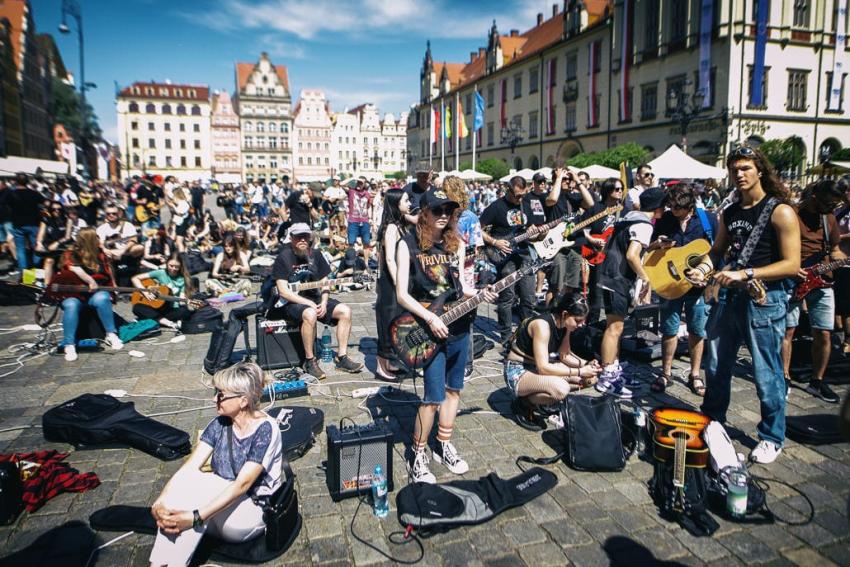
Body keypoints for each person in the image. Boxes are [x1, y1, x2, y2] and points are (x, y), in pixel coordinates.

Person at [688, 146, 801, 464]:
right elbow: (717, 251)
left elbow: (792, 264)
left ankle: (771, 436)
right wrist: (703, 269)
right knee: (716, 365)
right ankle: (713, 421)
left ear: (760, 170)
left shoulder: (780, 211)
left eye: (746, 168)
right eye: (734, 168)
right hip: (729, 297)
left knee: (766, 371)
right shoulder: (730, 211)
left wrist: (746, 272)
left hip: (764, 298)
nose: (739, 173)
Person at [395, 188, 497, 483]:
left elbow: (460, 286)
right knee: (432, 397)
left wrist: (480, 293)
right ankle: (418, 454)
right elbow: (402, 294)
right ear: (423, 212)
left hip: (459, 324)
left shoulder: (457, 243)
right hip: (428, 329)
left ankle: (444, 443)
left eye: (448, 211)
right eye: (437, 210)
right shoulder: (408, 245)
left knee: (454, 390)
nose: (443, 216)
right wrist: (428, 317)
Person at [149, 363, 283, 567]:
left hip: (249, 515)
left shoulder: (266, 429)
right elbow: (189, 468)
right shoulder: (220, 423)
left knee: (197, 491)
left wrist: (194, 518)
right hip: (218, 508)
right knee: (184, 491)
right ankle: (160, 563)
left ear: (243, 400)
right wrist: (161, 502)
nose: (214, 399)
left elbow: (242, 485)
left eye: (220, 394)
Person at [596, 187, 667, 399]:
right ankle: (607, 377)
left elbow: (626, 245)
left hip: (608, 275)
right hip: (617, 279)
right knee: (614, 329)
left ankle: (613, 367)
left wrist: (653, 245)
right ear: (658, 208)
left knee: (613, 327)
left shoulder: (627, 218)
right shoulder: (644, 225)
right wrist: (645, 278)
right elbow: (632, 255)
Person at [270, 223, 364, 380]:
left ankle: (342, 357)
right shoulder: (284, 258)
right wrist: (308, 303)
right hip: (292, 302)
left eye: (305, 236)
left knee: (345, 311)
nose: (302, 239)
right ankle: (309, 361)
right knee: (310, 313)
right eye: (298, 236)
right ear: (291, 238)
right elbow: (283, 291)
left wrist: (325, 301)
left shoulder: (316, 255)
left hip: (315, 298)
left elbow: (326, 282)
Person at [781, 179, 845, 404]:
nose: (831, 209)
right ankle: (784, 376)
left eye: (835, 205)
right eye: (828, 204)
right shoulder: (791, 214)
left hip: (823, 280)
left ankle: (817, 381)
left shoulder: (828, 219)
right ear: (815, 197)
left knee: (824, 332)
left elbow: (835, 250)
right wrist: (791, 267)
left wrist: (842, 260)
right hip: (793, 278)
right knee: (788, 331)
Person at [650, 184, 717, 396]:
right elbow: (648, 248)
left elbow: (717, 252)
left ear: (689, 206)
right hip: (670, 284)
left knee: (697, 330)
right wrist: (657, 244)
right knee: (669, 329)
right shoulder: (666, 219)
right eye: (671, 206)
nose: (673, 211)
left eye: (678, 208)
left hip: (697, 287)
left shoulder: (708, 220)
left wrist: (705, 275)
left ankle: (695, 374)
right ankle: (666, 373)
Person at [505, 292, 601, 429]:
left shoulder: (565, 325)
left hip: (535, 369)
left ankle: (543, 401)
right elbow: (543, 368)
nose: (581, 325)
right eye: (578, 320)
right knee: (561, 389)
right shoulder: (542, 326)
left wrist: (587, 365)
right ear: (564, 314)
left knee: (591, 379)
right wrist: (580, 371)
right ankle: (524, 403)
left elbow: (565, 356)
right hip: (517, 371)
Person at [480, 176, 545, 348]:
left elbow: (535, 235)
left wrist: (541, 233)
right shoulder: (496, 207)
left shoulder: (526, 205)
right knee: (507, 296)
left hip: (524, 254)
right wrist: (495, 242)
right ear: (508, 190)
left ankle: (527, 334)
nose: (520, 199)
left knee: (529, 297)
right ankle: (506, 336)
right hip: (504, 255)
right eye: (516, 195)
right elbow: (477, 229)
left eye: (523, 195)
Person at [56, 228, 124, 362]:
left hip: (93, 294)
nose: (99, 239)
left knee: (103, 298)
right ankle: (69, 344)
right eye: (96, 237)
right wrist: (90, 280)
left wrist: (113, 287)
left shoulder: (100, 254)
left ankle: (111, 334)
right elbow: (73, 268)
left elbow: (108, 271)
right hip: (73, 294)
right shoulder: (70, 254)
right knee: (71, 305)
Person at [444, 176, 484, 378]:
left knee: (465, 320)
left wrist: (460, 253)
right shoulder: (442, 215)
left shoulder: (469, 217)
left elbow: (478, 249)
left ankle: (466, 362)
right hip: (444, 274)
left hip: (465, 274)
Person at [375, 188, 411, 379]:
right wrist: (400, 286)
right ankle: (381, 366)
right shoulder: (391, 228)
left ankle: (391, 362)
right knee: (388, 322)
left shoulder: (399, 224)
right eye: (406, 201)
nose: (409, 204)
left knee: (396, 322)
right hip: (391, 284)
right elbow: (389, 259)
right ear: (396, 204)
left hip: (397, 282)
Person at [544, 168, 595, 303]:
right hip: (556, 247)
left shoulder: (574, 197)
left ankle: (564, 312)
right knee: (555, 285)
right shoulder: (548, 195)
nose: (567, 181)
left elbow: (590, 203)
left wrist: (577, 180)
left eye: (569, 179)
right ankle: (550, 314)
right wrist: (559, 177)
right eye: (564, 179)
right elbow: (552, 199)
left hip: (574, 245)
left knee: (571, 286)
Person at [131, 253, 195, 330]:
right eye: (171, 266)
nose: (173, 269)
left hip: (170, 308)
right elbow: (135, 278)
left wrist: (184, 301)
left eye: (176, 267)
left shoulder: (182, 279)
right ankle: (168, 323)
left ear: (181, 266)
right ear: (167, 263)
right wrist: (145, 292)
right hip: (155, 306)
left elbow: (181, 299)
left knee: (185, 312)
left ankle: (155, 319)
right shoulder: (160, 273)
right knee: (137, 307)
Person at [8, 173, 45, 273]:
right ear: (27, 182)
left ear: (16, 181)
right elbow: (45, 202)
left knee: (20, 249)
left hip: (18, 224)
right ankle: (37, 270)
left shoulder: (11, 194)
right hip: (33, 223)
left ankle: (24, 272)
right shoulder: (34, 193)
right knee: (36, 246)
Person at [835, 176, 850, 354]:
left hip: (848, 262)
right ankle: (838, 334)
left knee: (847, 305)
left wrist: (837, 237)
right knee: (838, 302)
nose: (845, 194)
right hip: (837, 263)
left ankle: (848, 339)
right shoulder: (841, 209)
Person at [345, 178, 374, 268]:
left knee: (366, 243)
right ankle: (351, 262)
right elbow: (342, 184)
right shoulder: (351, 191)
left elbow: (368, 206)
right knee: (351, 244)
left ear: (364, 184)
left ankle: (366, 263)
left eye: (361, 183)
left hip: (364, 221)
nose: (359, 184)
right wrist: (352, 178)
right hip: (353, 221)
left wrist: (371, 218)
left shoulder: (368, 194)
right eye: (358, 182)